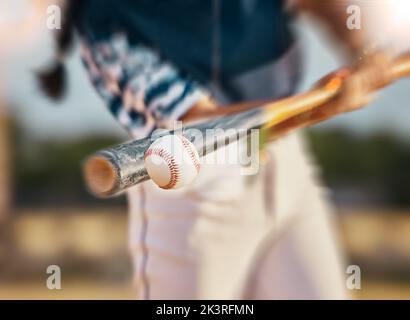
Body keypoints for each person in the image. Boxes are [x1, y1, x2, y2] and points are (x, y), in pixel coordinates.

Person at [39, 0, 370, 299]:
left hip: (288, 161)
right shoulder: (104, 19)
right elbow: (200, 121)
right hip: (193, 179)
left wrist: (361, 51)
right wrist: (314, 108)